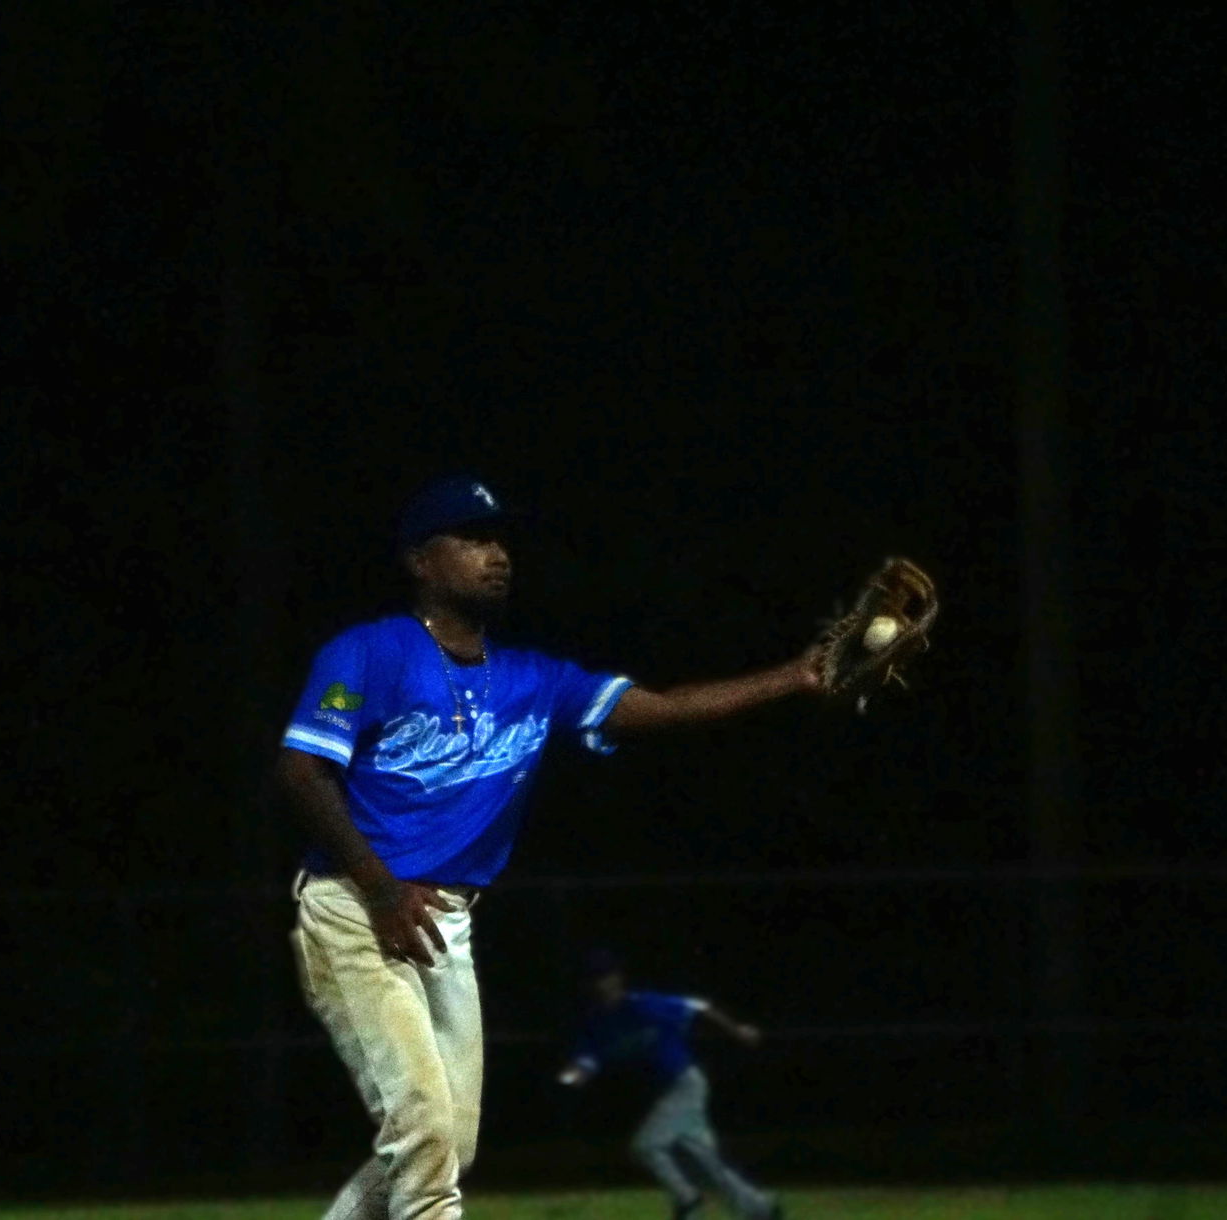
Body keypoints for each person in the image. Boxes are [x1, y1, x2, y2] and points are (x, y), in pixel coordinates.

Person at [275, 474, 821, 1220]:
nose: (495, 553)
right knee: (425, 1134)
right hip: (356, 907)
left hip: (444, 921)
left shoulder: (535, 680)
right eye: (470, 537)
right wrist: (379, 887)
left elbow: (661, 708)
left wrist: (795, 676)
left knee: (444, 1146)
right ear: (420, 561)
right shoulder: (367, 653)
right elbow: (301, 770)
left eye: (499, 538)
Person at [557, 949, 782, 1220]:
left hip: (685, 1083)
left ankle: (688, 1199)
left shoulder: (643, 1004)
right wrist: (570, 1078)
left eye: (605, 977)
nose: (600, 984)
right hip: (665, 1092)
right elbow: (586, 1062)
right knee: (704, 1162)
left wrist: (737, 1030)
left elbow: (699, 1006)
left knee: (646, 1145)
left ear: (618, 978)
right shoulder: (596, 1022)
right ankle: (760, 1208)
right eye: (593, 979)